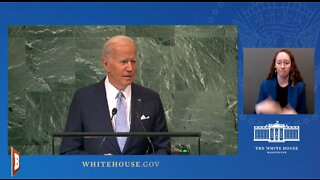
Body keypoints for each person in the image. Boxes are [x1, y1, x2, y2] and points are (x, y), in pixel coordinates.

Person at [60, 35, 171, 155]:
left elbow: (163, 148)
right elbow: (69, 151)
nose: (130, 68)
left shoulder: (150, 99)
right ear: (106, 64)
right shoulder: (84, 99)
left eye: (133, 61)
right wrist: (99, 163)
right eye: (123, 62)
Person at [254, 49, 307, 114]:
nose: (282, 66)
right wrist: (258, 108)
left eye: (286, 63)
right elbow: (255, 115)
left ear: (291, 66)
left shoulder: (299, 87)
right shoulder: (265, 85)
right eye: (279, 63)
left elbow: (304, 115)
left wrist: (294, 115)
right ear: (275, 66)